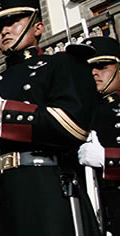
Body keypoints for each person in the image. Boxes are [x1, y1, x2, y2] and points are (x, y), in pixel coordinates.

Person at [0, 0, 99, 233]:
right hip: (3, 190)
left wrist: (4, 111)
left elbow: (73, 125)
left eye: (13, 22)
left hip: (46, 182)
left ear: (38, 28)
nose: (5, 31)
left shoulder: (61, 63)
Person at [77, 36, 120, 235]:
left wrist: (108, 160)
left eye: (102, 66)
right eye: (89, 69)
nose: (94, 73)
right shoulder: (86, 113)